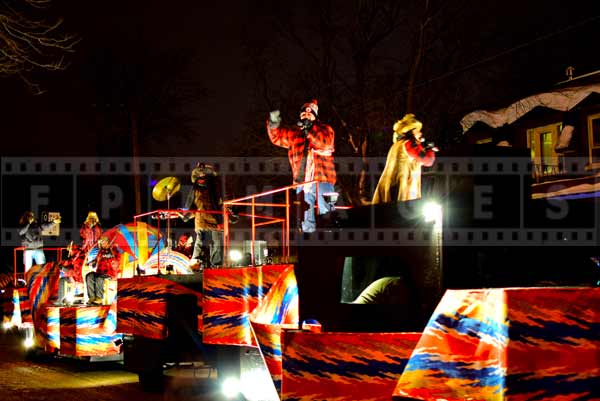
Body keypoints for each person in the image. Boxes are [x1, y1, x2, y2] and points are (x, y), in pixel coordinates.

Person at [267, 99, 337, 232]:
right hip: (302, 182)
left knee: (327, 211)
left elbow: (325, 143)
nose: (306, 117)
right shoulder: (294, 133)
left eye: (309, 115)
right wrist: (274, 122)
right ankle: (308, 240)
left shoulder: (325, 129)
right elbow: (277, 137)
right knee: (305, 215)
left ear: (315, 117)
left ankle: (331, 239)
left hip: (323, 179)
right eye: (304, 115)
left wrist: (309, 130)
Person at [372, 114, 438, 203]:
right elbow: (427, 160)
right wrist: (430, 149)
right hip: (403, 191)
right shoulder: (409, 144)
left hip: (391, 187)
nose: (420, 133)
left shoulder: (396, 145)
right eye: (417, 131)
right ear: (411, 132)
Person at [181, 163, 224, 268]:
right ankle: (196, 262)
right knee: (200, 241)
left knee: (217, 243)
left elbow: (221, 203)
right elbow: (189, 205)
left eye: (203, 176)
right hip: (201, 219)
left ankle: (216, 266)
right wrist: (184, 215)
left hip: (215, 219)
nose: (201, 178)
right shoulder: (194, 190)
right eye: (199, 176)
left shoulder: (215, 189)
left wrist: (221, 221)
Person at [85, 236, 120, 305]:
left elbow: (117, 259)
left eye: (103, 242)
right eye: (101, 242)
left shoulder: (113, 250)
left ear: (107, 242)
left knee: (99, 278)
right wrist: (93, 262)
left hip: (109, 273)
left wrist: (110, 255)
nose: (102, 244)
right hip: (100, 272)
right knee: (89, 276)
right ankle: (92, 297)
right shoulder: (101, 251)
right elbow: (97, 259)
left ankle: (99, 298)